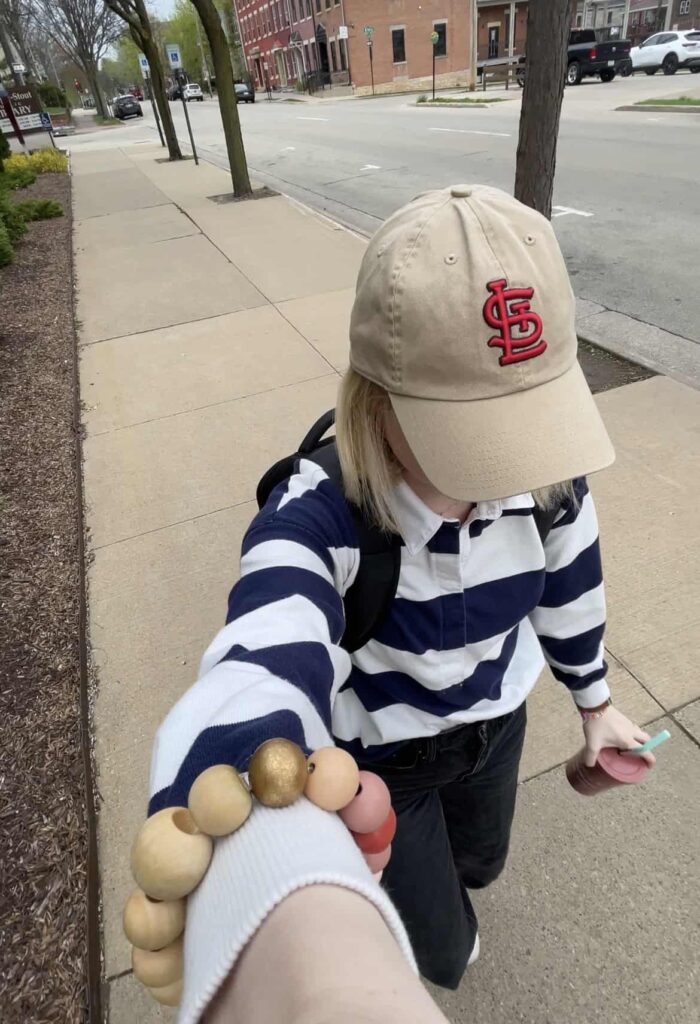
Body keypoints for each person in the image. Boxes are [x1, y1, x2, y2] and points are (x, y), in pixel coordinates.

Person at [147, 185, 656, 1022]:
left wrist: (594, 700)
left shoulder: (547, 478)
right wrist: (256, 849)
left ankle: (459, 889)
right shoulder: (320, 514)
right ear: (378, 405)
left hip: (497, 726)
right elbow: (259, 652)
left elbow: (571, 583)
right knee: (439, 941)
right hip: (386, 762)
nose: (507, 475)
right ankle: (444, 930)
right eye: (474, 440)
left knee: (482, 860)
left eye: (528, 423)